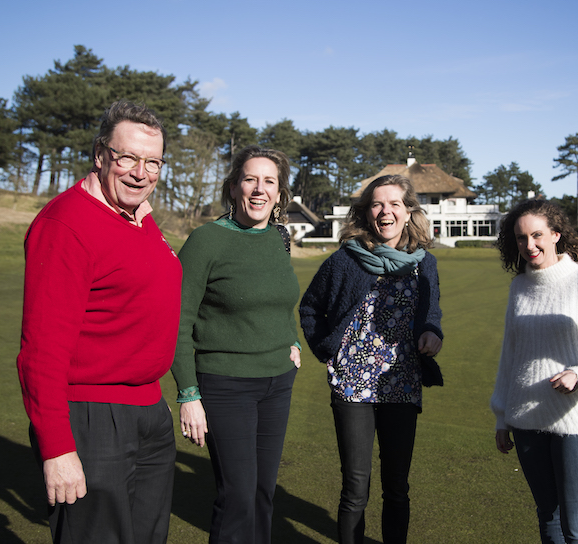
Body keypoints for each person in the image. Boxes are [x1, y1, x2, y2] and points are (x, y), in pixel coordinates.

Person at [16, 100, 181, 543]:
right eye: (127, 157)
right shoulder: (66, 223)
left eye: (152, 162)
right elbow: (41, 349)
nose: (139, 172)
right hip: (91, 417)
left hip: (146, 410)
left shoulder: (140, 220)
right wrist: (57, 448)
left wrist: (151, 396)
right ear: (100, 154)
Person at [299, 174, 443, 544]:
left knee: (397, 486)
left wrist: (432, 333)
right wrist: (326, 350)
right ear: (365, 212)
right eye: (377, 204)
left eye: (395, 204)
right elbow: (311, 307)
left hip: (402, 382)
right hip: (352, 385)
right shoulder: (345, 260)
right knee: (356, 488)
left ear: (409, 211)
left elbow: (431, 314)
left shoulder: (423, 263)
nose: (386, 212)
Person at [171, 145, 301, 544]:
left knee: (263, 493)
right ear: (233, 188)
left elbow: (277, 299)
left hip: (277, 383)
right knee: (238, 495)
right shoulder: (206, 240)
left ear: (280, 194)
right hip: (226, 386)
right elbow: (178, 321)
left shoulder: (280, 237)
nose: (259, 190)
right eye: (250, 180)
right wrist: (188, 394)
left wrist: (291, 340)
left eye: (269, 182)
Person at [490, 199, 578, 543]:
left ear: (556, 235)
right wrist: (502, 417)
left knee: (577, 528)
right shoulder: (519, 287)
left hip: (576, 419)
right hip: (525, 420)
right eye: (521, 238)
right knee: (547, 519)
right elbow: (511, 356)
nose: (529, 245)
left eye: (537, 235)